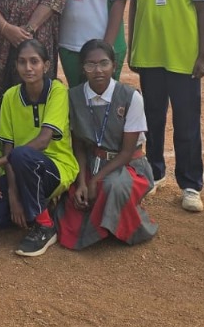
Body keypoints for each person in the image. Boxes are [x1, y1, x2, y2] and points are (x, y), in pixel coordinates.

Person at [127, 0, 204, 212]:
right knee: (153, 119)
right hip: (150, 53)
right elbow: (134, 4)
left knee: (188, 122)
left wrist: (203, 56)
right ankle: (155, 173)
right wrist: (133, 45)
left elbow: (203, 10)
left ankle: (190, 184)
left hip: (183, 56)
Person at [0, 39, 79, 257]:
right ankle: (37, 207)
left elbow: (44, 140)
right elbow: (8, 148)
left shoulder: (57, 91)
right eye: (22, 62)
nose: (28, 68)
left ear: (46, 65)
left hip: (55, 168)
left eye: (34, 62)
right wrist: (13, 195)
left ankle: (45, 225)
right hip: (19, 168)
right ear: (16, 66)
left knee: (22, 155)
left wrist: (3, 161)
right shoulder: (10, 96)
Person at [59, 39, 158, 249]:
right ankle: (106, 224)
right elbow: (78, 145)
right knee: (73, 195)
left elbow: (127, 152)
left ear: (114, 65)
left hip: (127, 165)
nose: (98, 70)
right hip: (92, 162)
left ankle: (128, 227)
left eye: (104, 63)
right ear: (82, 68)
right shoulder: (74, 97)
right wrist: (83, 182)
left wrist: (94, 181)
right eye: (90, 64)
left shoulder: (131, 97)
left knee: (113, 186)